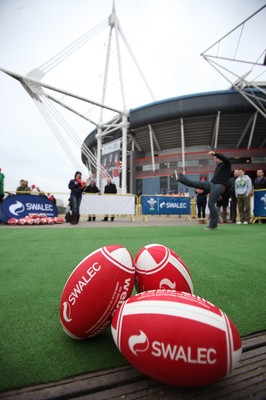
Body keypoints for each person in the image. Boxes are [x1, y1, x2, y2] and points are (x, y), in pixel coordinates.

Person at [175, 151, 231, 230]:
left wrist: (215, 154)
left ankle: (213, 225)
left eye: (216, 159)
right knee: (196, 183)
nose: (215, 160)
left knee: (211, 204)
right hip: (212, 184)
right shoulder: (218, 167)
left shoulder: (226, 164)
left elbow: (225, 159)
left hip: (219, 186)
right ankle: (180, 178)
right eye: (214, 159)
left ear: (220, 159)